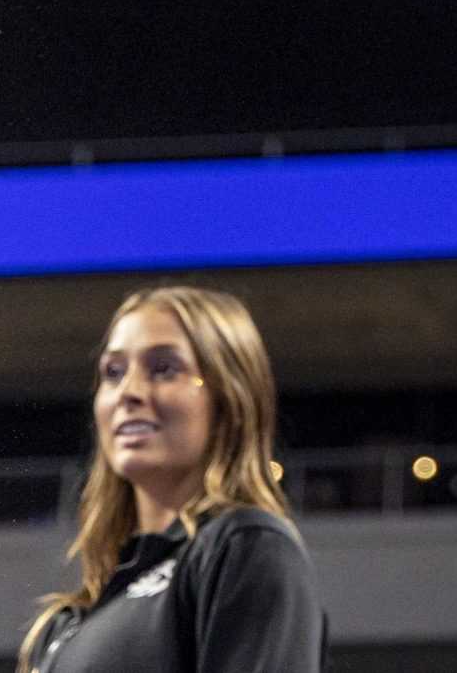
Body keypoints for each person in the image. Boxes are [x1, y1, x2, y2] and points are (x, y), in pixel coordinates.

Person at [19, 286, 325, 673]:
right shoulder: (66, 623)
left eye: (164, 368)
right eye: (113, 372)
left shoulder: (244, 548)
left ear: (230, 397)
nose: (128, 392)